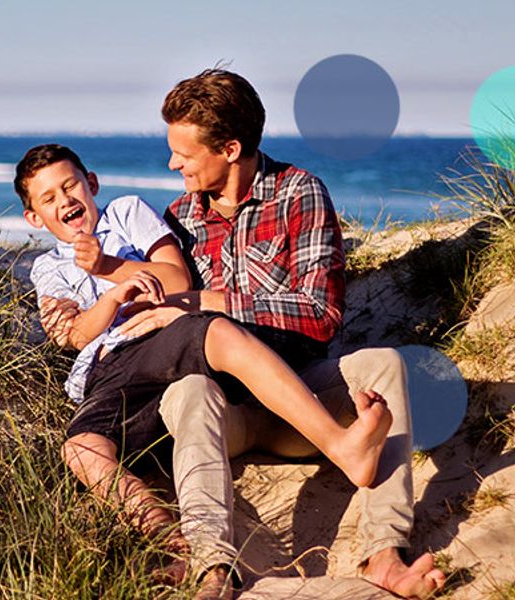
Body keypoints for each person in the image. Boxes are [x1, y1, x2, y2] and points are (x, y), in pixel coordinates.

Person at [40, 69, 447, 599]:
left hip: (300, 395)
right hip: (225, 413)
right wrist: (87, 301)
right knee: (188, 390)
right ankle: (214, 569)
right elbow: (158, 306)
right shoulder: (180, 218)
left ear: (230, 148)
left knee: (385, 365)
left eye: (184, 154)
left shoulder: (298, 194)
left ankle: (385, 555)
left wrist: (205, 303)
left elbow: (320, 315)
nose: (173, 164)